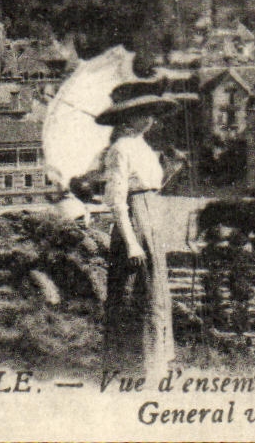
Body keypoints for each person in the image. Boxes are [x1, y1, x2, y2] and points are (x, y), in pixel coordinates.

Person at [95, 83, 182, 378]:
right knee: (136, 292)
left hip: (150, 218)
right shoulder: (119, 149)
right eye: (145, 113)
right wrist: (132, 243)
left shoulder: (142, 146)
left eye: (153, 114)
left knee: (154, 290)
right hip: (135, 223)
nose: (152, 120)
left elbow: (149, 187)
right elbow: (117, 200)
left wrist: (169, 170)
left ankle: (155, 362)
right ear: (128, 117)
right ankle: (132, 366)